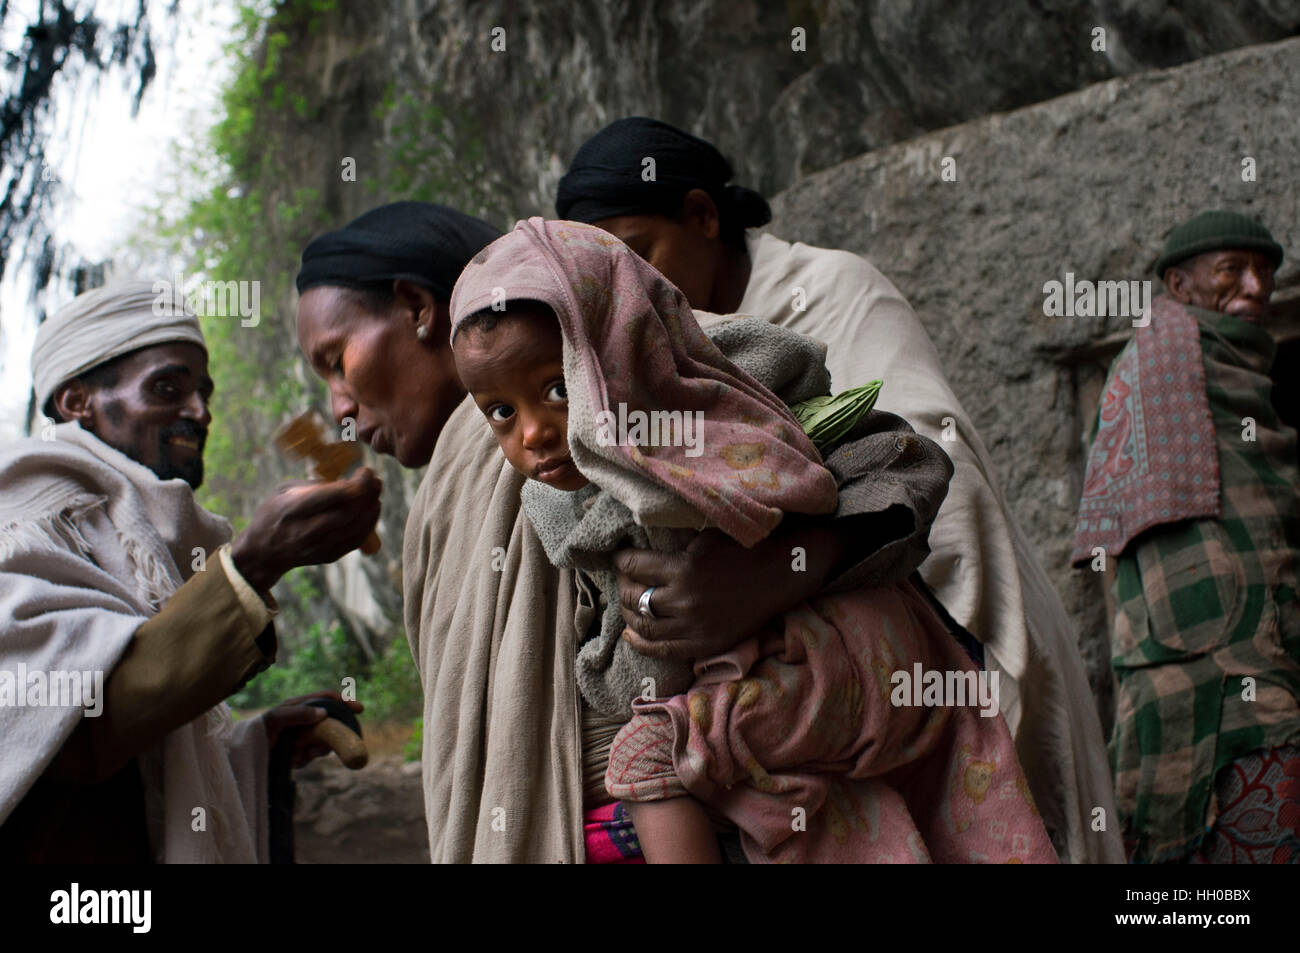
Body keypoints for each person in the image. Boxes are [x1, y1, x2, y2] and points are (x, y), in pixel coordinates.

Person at [296, 202, 973, 862]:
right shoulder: (459, 489)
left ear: (416, 307)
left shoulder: (652, 363)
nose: (338, 407)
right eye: (501, 410)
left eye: (336, 360)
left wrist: (777, 573)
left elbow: (898, 465)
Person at [555, 116, 1123, 863]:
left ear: (701, 216)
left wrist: (778, 573)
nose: (626, 292)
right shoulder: (638, 365)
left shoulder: (830, 291)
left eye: (641, 256)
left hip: (931, 668)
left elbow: (937, 478)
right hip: (794, 721)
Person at [448, 217, 1057, 863]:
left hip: (848, 649)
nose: (535, 432)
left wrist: (787, 564)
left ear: (613, 343)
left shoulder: (717, 398)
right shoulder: (561, 501)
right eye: (502, 411)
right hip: (777, 690)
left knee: (645, 755)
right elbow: (634, 652)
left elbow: (908, 463)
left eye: (558, 388)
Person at [0, 280, 379, 862]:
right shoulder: (25, 513)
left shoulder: (147, 540)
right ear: (77, 402)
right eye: (167, 388)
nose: (199, 413)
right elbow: (69, 730)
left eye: (203, 392)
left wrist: (261, 744)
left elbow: (150, 763)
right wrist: (252, 567)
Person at [1072, 210, 1300, 863]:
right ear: (1179, 284)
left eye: (1266, 272)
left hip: (1267, 651)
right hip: (1212, 662)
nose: (1257, 286)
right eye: (1233, 270)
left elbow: (1267, 510)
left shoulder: (1240, 382)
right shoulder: (1162, 360)